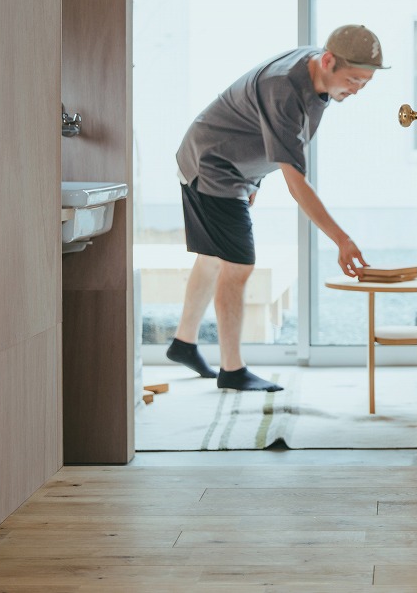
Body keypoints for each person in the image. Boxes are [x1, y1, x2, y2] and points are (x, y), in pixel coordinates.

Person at [165, 24, 388, 391]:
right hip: (214, 167)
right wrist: (342, 240)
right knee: (239, 266)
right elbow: (297, 183)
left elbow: (259, 127)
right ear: (328, 60)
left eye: (365, 82)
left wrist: (256, 180)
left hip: (227, 164)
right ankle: (232, 371)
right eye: (353, 80)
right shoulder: (284, 88)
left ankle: (183, 344)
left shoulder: (315, 69)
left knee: (213, 257)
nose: (357, 89)